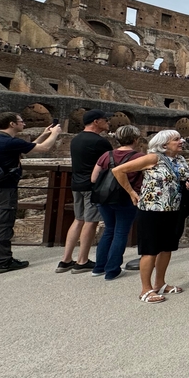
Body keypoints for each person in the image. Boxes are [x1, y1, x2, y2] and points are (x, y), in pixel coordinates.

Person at [112, 130, 189, 304]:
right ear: (164, 145)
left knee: (167, 248)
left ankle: (160, 283)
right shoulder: (152, 158)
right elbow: (119, 170)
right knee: (150, 250)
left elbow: (182, 178)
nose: (181, 141)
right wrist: (131, 192)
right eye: (176, 139)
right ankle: (145, 289)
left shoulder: (180, 159)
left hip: (173, 209)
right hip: (151, 210)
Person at [0, 112, 61, 274]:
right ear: (12, 124)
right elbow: (44, 148)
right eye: (21, 121)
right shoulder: (9, 142)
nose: (24, 124)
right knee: (2, 226)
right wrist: (55, 134)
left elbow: (29, 149)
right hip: (1, 190)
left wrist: (44, 134)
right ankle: (2, 262)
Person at [57, 109, 112, 273]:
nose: (108, 122)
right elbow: (110, 163)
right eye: (105, 119)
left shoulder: (76, 139)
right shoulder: (100, 142)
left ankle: (65, 260)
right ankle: (82, 261)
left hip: (77, 184)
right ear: (96, 121)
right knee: (90, 221)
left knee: (78, 219)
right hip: (92, 186)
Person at [90, 125, 143, 281]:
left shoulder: (106, 155)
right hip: (127, 197)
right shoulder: (139, 157)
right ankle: (112, 270)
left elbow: (94, 178)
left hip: (104, 198)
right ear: (135, 139)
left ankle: (99, 267)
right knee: (120, 233)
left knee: (109, 230)